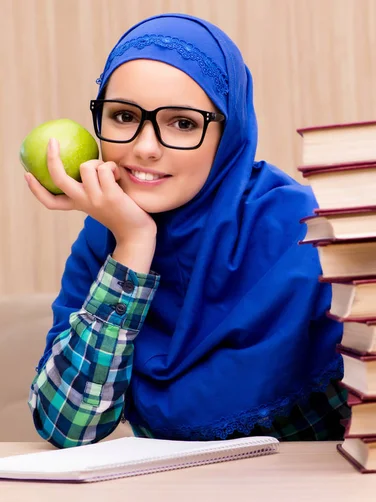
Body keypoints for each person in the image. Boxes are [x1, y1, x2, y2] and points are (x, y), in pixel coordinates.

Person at [26, 13, 348, 448]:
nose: (145, 148)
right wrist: (134, 244)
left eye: (183, 124)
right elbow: (67, 427)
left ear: (227, 131)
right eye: (123, 116)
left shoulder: (308, 231)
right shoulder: (105, 240)